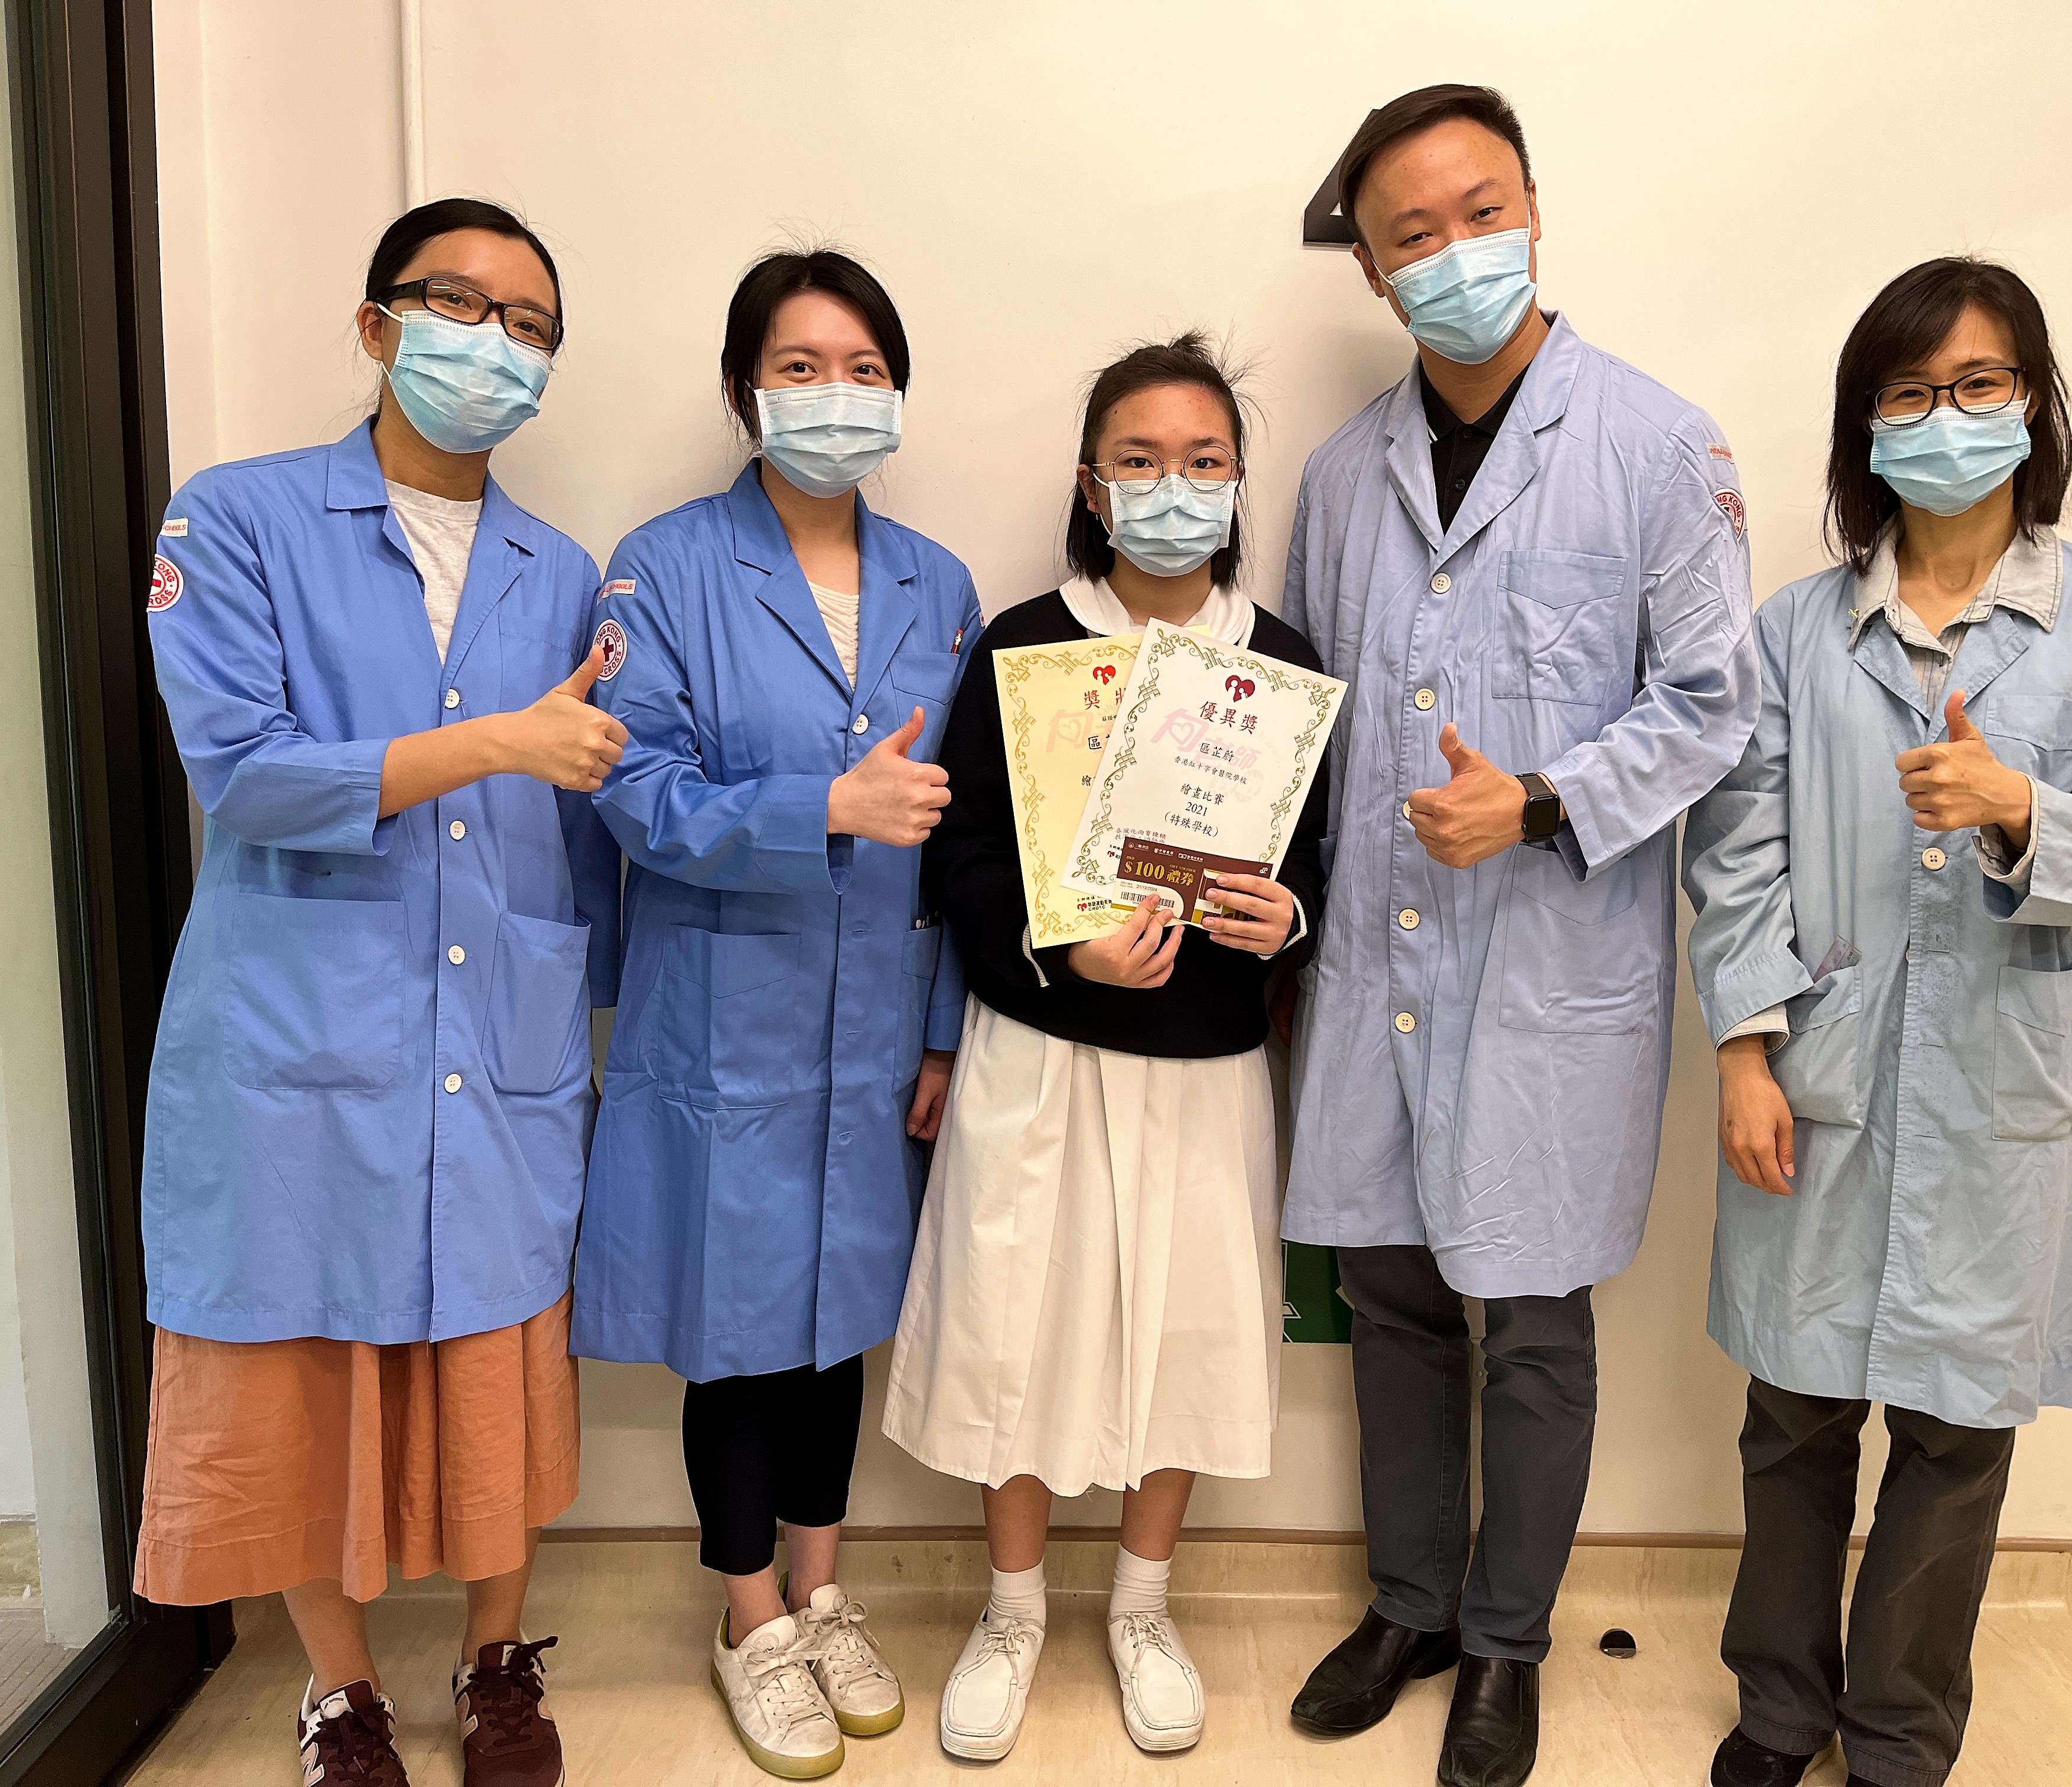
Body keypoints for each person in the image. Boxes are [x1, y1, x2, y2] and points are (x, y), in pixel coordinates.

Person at [1279, 85, 1761, 1787]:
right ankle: (1408, 1605)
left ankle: (1504, 1643)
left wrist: (1544, 800)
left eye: (1480, 212)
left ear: (1535, 210)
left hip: (1552, 975)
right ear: (1372, 272)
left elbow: (1715, 705)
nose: (1453, 252)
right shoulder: (1340, 479)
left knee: (1536, 1326)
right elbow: (1305, 724)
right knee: (1394, 1300)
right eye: (1411, 234)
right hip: (1377, 972)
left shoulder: (1658, 445)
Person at [1682, 258, 2072, 1787]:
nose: (1946, 417)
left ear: (2033, 405)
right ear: (1865, 426)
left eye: (1978, 385)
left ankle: (1901, 1734)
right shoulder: (1795, 631)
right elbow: (1737, 855)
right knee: (1795, 1415)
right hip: (1821, 1077)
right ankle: (1782, 1708)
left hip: (2003, 1097)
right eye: (1909, 393)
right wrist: (1745, 1051)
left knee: (1959, 1436)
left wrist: (2019, 805)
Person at [135, 197, 618, 1787]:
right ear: (377, 325)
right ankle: (338, 1688)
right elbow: (245, 774)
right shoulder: (236, 518)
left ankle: (496, 1662)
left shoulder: (565, 571)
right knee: (298, 1360)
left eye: (530, 326)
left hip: (501, 1026)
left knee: (497, 1355)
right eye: (460, 306)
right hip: (297, 1029)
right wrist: (494, 743)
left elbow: (587, 822)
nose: (496, 345)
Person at [882, 333, 1328, 1764]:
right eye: (1140, 460)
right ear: (1092, 483)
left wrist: (1283, 922)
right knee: (1013, 1323)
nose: (1172, 487)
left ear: (1239, 482)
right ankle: (1013, 1609)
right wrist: (1056, 946)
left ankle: (1143, 1607)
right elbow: (957, 852)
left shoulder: (1283, 666)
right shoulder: (1025, 644)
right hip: (1039, 1048)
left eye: (1203, 461)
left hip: (1205, 1063)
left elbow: (1311, 865)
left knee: (1184, 1333)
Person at [570, 248, 978, 1780]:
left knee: (834, 1320)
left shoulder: (938, 584)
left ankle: (821, 1590)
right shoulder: (663, 567)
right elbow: (632, 787)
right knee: (737, 1330)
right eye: (801, 366)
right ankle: (749, 1620)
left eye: (865, 368)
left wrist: (941, 1025)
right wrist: (822, 807)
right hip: (723, 1020)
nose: (835, 394)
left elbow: (971, 833)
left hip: (875, 1021)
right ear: (747, 388)